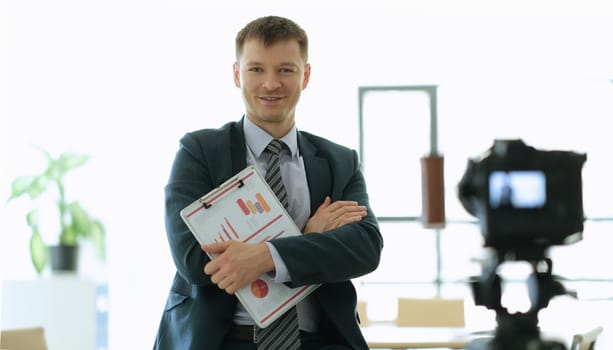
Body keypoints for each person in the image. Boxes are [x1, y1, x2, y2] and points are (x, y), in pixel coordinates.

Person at [153, 15, 383, 350]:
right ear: (237, 74)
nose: (271, 83)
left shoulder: (339, 160)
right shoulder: (199, 151)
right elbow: (194, 260)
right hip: (222, 341)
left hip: (319, 342)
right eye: (257, 69)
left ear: (305, 76)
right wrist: (308, 238)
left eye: (285, 70)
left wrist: (264, 256)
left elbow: (365, 248)